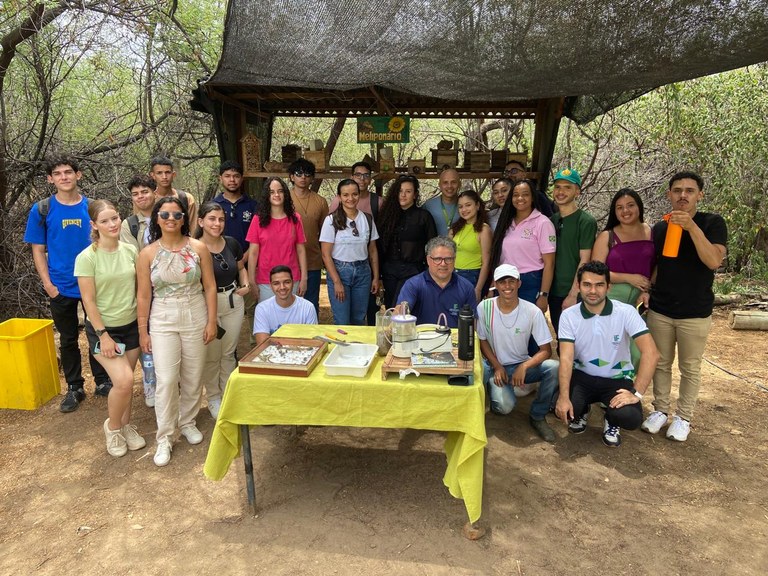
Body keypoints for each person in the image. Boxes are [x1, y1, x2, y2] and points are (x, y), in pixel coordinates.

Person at [641, 172, 727, 442]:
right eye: (677, 190)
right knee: (661, 363)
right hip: (662, 308)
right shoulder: (661, 227)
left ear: (699, 195)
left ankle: (684, 417)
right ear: (668, 194)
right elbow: (657, 265)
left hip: (695, 311)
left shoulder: (712, 223)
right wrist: (648, 291)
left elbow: (713, 260)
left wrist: (691, 227)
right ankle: (660, 411)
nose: (683, 195)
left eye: (690, 190)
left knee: (690, 367)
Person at [24, 154, 112, 413]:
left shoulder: (93, 207)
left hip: (94, 283)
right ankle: (75, 387)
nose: (64, 177)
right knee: (69, 338)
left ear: (78, 175)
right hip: (61, 285)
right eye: (58, 173)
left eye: (68, 172)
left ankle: (103, 380)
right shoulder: (42, 209)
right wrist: (48, 285)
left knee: (98, 332)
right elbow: (38, 249)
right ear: (50, 179)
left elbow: (106, 243)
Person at [137, 196, 218, 467]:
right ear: (156, 219)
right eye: (165, 215)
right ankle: (165, 436)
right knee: (168, 378)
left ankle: (188, 421)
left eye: (176, 215)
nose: (170, 220)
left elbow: (209, 286)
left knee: (193, 374)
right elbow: (144, 296)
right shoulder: (147, 254)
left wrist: (211, 321)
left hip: (195, 311)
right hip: (162, 317)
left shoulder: (198, 248)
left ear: (184, 219)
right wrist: (143, 331)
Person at [555, 261, 659, 448]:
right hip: (582, 376)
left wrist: (636, 393)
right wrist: (563, 397)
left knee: (629, 418)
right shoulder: (569, 315)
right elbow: (566, 357)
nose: (592, 290)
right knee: (565, 407)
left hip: (616, 380)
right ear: (578, 286)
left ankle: (612, 420)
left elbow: (651, 353)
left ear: (608, 287)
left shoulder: (626, 312)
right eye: (587, 284)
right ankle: (582, 410)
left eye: (599, 285)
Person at [74, 200, 146, 457]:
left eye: (115, 218)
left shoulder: (130, 251)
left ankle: (126, 426)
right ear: (94, 225)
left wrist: (142, 324)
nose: (112, 224)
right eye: (104, 221)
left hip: (130, 326)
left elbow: (140, 290)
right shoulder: (86, 257)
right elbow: (89, 301)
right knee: (124, 380)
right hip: (104, 330)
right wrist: (103, 335)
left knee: (126, 382)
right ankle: (113, 429)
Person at [477, 264, 559, 443]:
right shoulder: (485, 307)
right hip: (494, 366)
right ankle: (494, 390)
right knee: (504, 407)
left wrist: (524, 365)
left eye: (511, 281)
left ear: (519, 284)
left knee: (554, 368)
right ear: (496, 285)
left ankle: (538, 415)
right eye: (502, 282)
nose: (507, 286)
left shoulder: (532, 311)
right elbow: (482, 340)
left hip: (519, 365)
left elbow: (546, 350)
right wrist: (497, 366)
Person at [195, 202, 249, 420]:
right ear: (201, 221)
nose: (217, 223)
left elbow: (241, 267)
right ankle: (214, 397)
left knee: (228, 352)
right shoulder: (194, 247)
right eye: (212, 219)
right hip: (208, 305)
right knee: (212, 354)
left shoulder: (231, 243)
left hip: (233, 301)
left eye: (221, 219)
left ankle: (228, 392)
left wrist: (245, 285)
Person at [591, 188, 655, 368]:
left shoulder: (651, 232)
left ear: (639, 207)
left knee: (638, 351)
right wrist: (629, 278)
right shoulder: (608, 236)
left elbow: (656, 266)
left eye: (630, 205)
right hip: (612, 298)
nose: (625, 211)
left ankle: (629, 390)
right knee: (609, 350)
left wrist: (647, 291)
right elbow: (596, 273)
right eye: (619, 207)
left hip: (640, 300)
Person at [120, 174, 159, 407]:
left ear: (154, 192)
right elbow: (134, 259)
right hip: (144, 287)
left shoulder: (168, 213)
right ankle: (150, 382)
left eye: (144, 192)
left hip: (170, 287)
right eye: (135, 194)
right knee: (147, 335)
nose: (140, 197)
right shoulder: (130, 225)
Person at [320, 179, 380, 325]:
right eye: (345, 195)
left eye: (354, 194)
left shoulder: (367, 218)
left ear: (359, 195)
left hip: (363, 272)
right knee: (342, 320)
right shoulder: (331, 220)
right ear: (339, 197)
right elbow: (325, 254)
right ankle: (342, 347)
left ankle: (356, 348)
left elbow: (372, 250)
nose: (350, 199)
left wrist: (376, 277)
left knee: (359, 319)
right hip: (340, 271)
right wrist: (337, 282)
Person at [490, 179, 555, 313]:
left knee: (526, 328)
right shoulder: (506, 221)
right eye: (515, 194)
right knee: (504, 326)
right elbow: (498, 256)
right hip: (504, 280)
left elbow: (550, 263)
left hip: (530, 282)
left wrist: (543, 294)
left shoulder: (543, 223)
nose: (520, 198)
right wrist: (492, 286)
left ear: (532, 197)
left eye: (525, 194)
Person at [376, 175, 437, 309]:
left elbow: (433, 245)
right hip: (389, 271)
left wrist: (429, 271)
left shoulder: (424, 217)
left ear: (415, 195)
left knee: (403, 306)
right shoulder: (386, 216)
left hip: (413, 271)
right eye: (400, 191)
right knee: (391, 307)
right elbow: (379, 247)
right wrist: (378, 274)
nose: (403, 195)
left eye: (408, 191)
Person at [548, 168, 597, 333]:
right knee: (561, 338)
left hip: (574, 292)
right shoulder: (550, 221)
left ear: (577, 191)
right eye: (557, 187)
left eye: (567, 187)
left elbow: (585, 259)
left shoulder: (586, 221)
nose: (561, 192)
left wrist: (573, 293)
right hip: (553, 290)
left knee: (578, 341)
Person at [246, 177, 307, 302]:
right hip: (265, 280)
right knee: (268, 318)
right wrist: (252, 280)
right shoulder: (258, 219)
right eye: (272, 192)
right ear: (266, 196)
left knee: (292, 318)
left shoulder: (295, 219)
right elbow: (253, 253)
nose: (277, 195)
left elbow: (301, 250)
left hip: (291, 279)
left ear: (285, 193)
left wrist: (304, 278)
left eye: (280, 191)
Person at [397, 236, 477, 327]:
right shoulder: (413, 285)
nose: (443, 264)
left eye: (448, 259)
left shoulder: (466, 287)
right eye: (437, 259)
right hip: (422, 338)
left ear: (454, 260)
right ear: (428, 260)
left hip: (454, 339)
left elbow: (472, 324)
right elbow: (400, 314)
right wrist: (400, 312)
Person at [288, 158, 328, 316]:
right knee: (288, 301)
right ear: (292, 177)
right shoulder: (283, 200)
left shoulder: (321, 201)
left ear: (312, 178)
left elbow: (325, 233)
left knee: (311, 303)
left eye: (307, 174)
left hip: (312, 260)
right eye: (298, 173)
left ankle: (311, 336)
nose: (303, 177)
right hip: (288, 260)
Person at [253, 266, 318, 344]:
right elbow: (262, 343)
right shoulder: (262, 309)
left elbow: (311, 341)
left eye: (287, 282)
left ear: (293, 283)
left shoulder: (308, 307)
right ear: (271, 286)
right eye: (276, 283)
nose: (282, 287)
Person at [449, 190, 492, 302]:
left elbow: (486, 262)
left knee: (468, 315)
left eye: (468, 205)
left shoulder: (484, 229)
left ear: (477, 205)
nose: (464, 210)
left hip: (472, 275)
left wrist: (478, 288)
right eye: (460, 207)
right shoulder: (455, 229)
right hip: (452, 274)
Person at [212, 160, 257, 253]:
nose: (232, 180)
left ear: (242, 178)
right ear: (220, 178)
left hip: (248, 260)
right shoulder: (213, 205)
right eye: (227, 176)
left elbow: (258, 237)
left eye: (236, 176)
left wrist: (243, 259)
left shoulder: (253, 205)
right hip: (220, 260)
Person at [149, 155, 199, 235]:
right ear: (153, 175)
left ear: (174, 174)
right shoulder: (148, 200)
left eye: (167, 172)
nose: (164, 177)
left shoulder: (186, 198)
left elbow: (194, 229)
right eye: (159, 173)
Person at [422, 167, 461, 236]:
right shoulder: (428, 206)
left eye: (453, 182)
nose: (449, 186)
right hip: (434, 246)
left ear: (459, 184)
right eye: (445, 182)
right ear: (439, 185)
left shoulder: (466, 206)